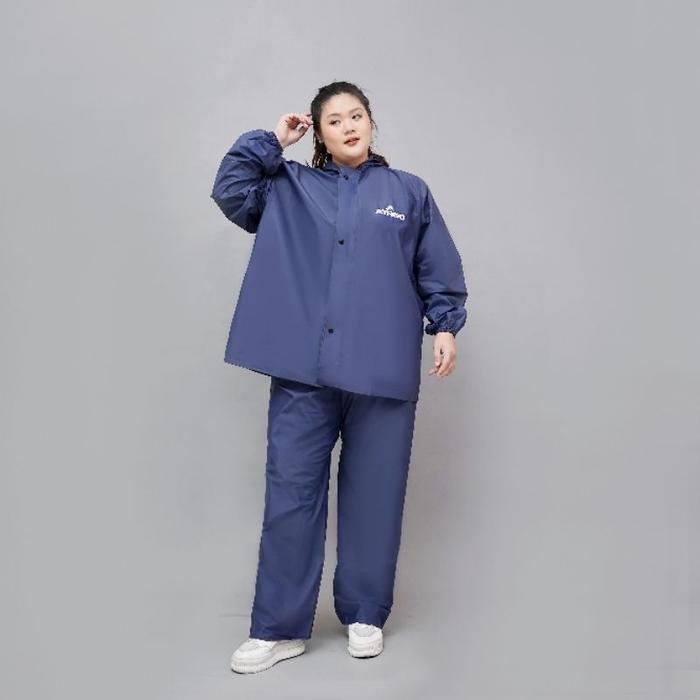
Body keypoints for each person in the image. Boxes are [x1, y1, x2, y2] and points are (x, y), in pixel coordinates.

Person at [210, 81, 468, 674]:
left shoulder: (408, 192)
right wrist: (273, 141)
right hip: (304, 371)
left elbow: (435, 264)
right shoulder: (289, 186)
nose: (349, 126)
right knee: (291, 496)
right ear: (320, 136)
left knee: (375, 495)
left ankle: (365, 614)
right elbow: (230, 189)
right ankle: (278, 628)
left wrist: (445, 325)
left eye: (357, 116)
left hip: (381, 369)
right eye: (335, 121)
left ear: (372, 123)